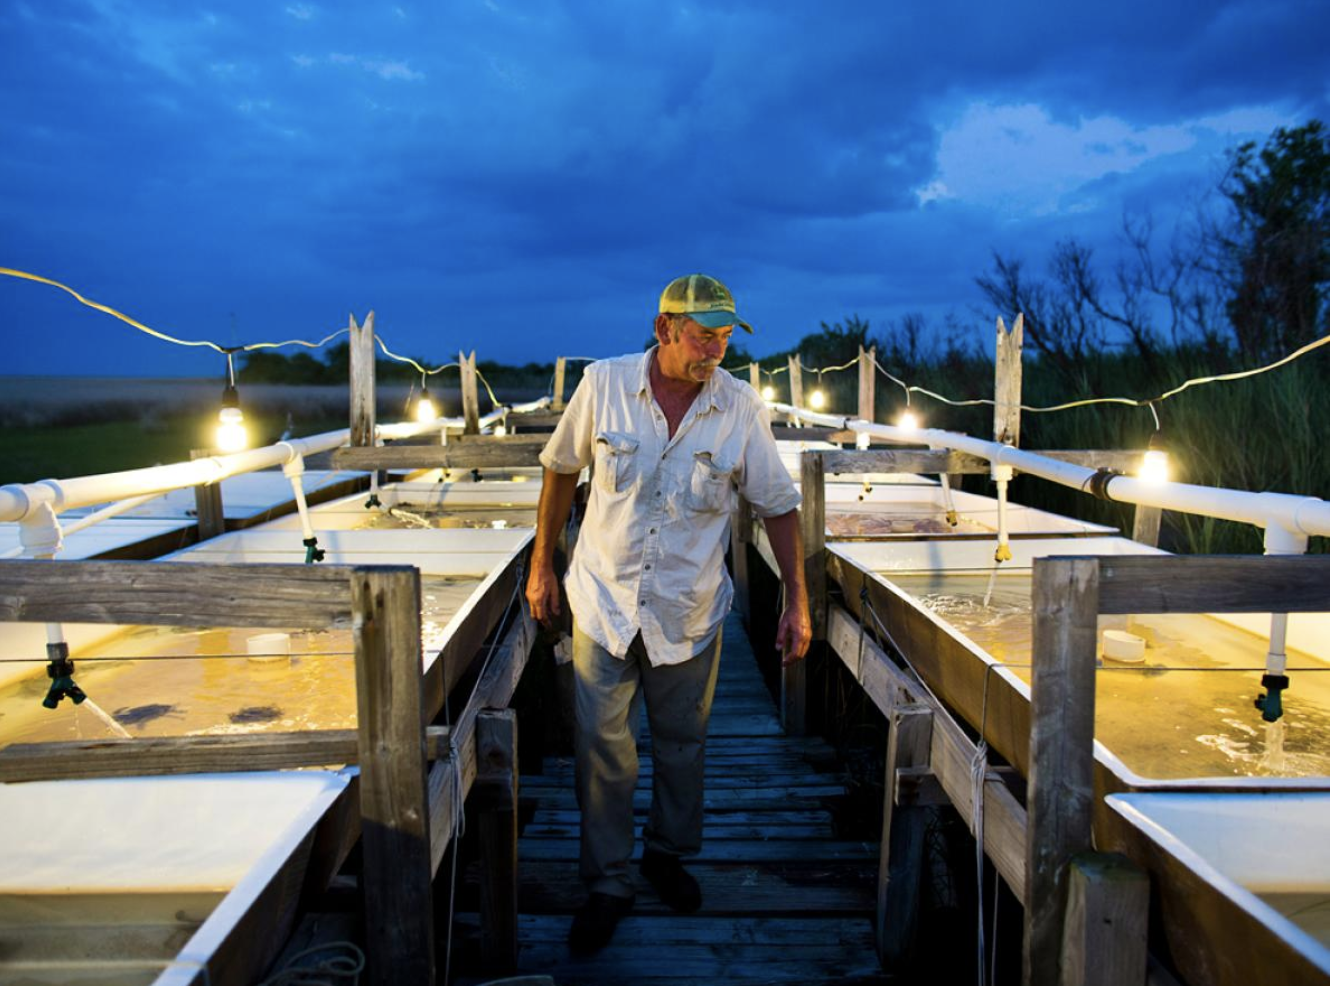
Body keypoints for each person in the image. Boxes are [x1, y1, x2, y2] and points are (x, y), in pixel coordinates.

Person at [525, 273, 812, 953]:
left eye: (723, 337)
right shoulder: (602, 386)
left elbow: (777, 504)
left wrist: (798, 599)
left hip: (690, 606)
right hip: (604, 596)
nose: (715, 349)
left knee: (682, 745)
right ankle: (608, 882)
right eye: (701, 335)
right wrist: (543, 565)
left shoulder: (740, 407)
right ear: (663, 329)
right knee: (604, 750)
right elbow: (560, 469)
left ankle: (667, 854)